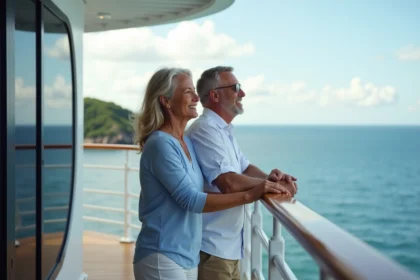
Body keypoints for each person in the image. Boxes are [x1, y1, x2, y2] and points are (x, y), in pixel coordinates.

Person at [131, 67, 291, 280]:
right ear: (166, 101)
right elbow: (191, 200)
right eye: (188, 92)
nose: (197, 97)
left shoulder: (185, 141)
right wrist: (252, 194)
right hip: (162, 254)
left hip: (187, 256)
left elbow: (233, 173)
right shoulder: (161, 144)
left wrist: (272, 180)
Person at [186, 66, 298, 280]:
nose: (242, 93)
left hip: (228, 246)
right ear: (215, 95)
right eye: (236, 88)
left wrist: (272, 179)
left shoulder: (222, 130)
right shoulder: (205, 130)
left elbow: (244, 168)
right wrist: (271, 186)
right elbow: (227, 182)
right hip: (212, 246)